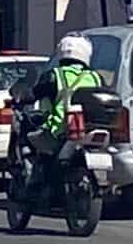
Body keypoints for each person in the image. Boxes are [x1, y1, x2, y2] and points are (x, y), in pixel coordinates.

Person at [26, 35, 102, 164]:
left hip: (60, 132)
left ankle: (38, 179)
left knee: (39, 152)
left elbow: (34, 94)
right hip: (90, 130)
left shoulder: (54, 76)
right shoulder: (95, 77)